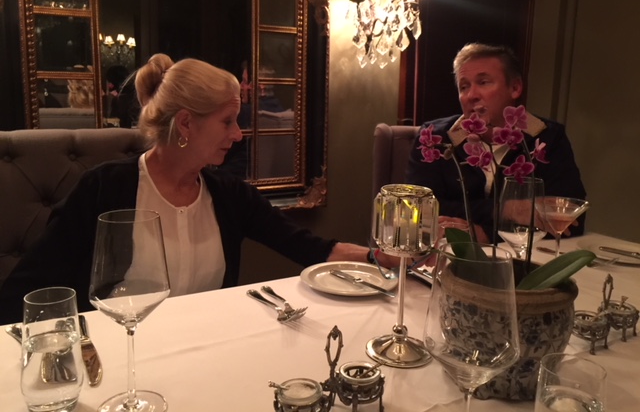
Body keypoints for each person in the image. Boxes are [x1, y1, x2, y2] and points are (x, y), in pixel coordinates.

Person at [0, 54, 371, 324]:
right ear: (186, 124)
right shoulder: (104, 188)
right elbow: (29, 286)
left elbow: (309, 247)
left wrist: (376, 258)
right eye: (227, 121)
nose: (238, 134)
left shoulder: (230, 196)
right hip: (118, 357)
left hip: (203, 352)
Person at [406, 43, 587, 242]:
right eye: (464, 87)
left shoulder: (547, 137)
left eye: (483, 82)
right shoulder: (434, 138)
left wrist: (485, 234)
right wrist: (508, 209)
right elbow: (418, 209)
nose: (471, 95)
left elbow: (570, 222)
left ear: (515, 88)